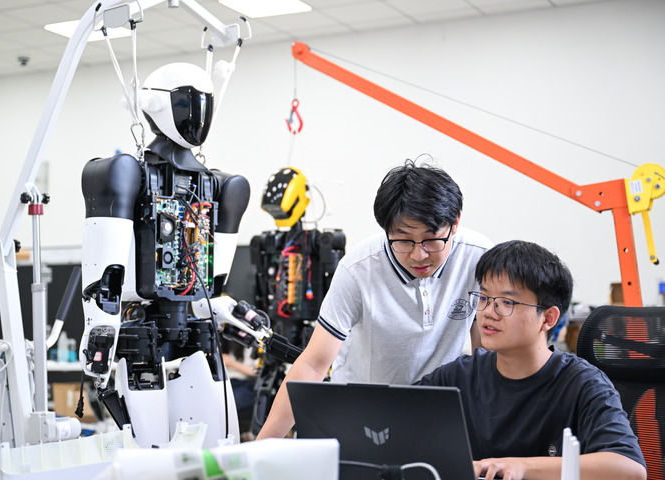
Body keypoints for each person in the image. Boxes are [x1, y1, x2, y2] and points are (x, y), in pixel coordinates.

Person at [257, 159, 492, 439]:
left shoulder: (480, 259)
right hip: (363, 414)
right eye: (404, 240)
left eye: (431, 240)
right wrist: (262, 447)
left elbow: (486, 358)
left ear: (455, 224)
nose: (418, 255)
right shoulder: (358, 270)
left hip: (438, 414)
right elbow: (313, 364)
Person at [416, 240, 646, 480]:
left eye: (507, 302)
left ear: (548, 318)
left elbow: (630, 468)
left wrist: (520, 467)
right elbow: (396, 420)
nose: (488, 312)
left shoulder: (583, 383)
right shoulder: (460, 375)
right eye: (483, 298)